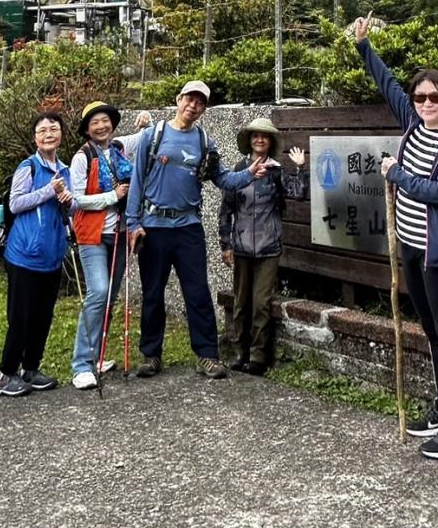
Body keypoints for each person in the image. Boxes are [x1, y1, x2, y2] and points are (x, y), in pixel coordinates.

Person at [354, 15, 438, 459]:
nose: (425, 102)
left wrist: (395, 172)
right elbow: (387, 85)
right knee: (428, 326)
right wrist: (365, 47)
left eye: (434, 97)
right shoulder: (411, 125)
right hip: (408, 244)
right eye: (420, 96)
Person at [125, 80, 269, 379]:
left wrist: (249, 174)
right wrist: (133, 223)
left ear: (204, 108)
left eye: (200, 102)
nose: (193, 106)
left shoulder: (205, 141)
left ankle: (207, 355)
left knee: (198, 292)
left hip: (188, 226)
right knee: (153, 294)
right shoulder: (153, 136)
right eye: (189, 99)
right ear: (178, 99)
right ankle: (151, 354)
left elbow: (224, 180)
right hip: (153, 227)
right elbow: (137, 181)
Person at [0, 110, 75, 398]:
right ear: (35, 138)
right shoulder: (27, 167)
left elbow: (71, 209)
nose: (49, 133)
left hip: (52, 255)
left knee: (43, 315)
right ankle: (6, 374)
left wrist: (68, 200)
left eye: (54, 128)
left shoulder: (65, 170)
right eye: (42, 130)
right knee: (21, 316)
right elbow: (15, 204)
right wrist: (48, 191)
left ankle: (31, 368)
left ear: (61, 134)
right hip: (24, 254)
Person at [217, 117, 307, 375]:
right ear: (249, 141)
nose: (259, 140)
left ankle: (258, 357)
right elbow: (226, 210)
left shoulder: (276, 171)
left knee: (262, 303)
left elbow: (298, 193)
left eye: (264, 136)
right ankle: (238, 352)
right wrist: (225, 244)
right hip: (241, 245)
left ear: (270, 142)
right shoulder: (238, 169)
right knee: (241, 302)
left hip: (269, 246)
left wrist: (299, 168)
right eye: (255, 136)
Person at [68, 102, 147, 389]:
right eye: (94, 123)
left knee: (109, 298)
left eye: (105, 121)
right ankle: (81, 364)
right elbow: (76, 199)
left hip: (121, 233)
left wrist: (146, 118)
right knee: (98, 293)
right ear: (87, 129)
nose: (101, 126)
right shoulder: (82, 157)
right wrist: (112, 196)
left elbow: (147, 137)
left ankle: (97, 354)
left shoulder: (119, 147)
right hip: (92, 235)